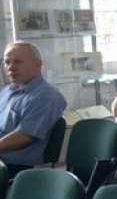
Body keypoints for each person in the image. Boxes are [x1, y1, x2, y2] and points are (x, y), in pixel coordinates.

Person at [0, 42, 67, 177]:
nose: (10, 67)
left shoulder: (45, 95)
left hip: (16, 170)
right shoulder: (8, 91)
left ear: (37, 65)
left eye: (18, 62)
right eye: (7, 62)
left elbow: (24, 136)